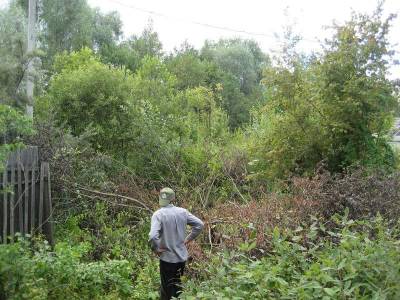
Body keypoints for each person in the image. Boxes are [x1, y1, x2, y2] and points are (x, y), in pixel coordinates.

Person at [149, 187, 204, 300]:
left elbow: (153, 236)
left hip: (167, 259)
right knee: (178, 288)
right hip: (181, 259)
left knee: (166, 291)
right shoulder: (183, 212)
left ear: (160, 198)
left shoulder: (158, 214)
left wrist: (156, 249)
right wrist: (188, 239)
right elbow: (199, 224)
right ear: (173, 199)